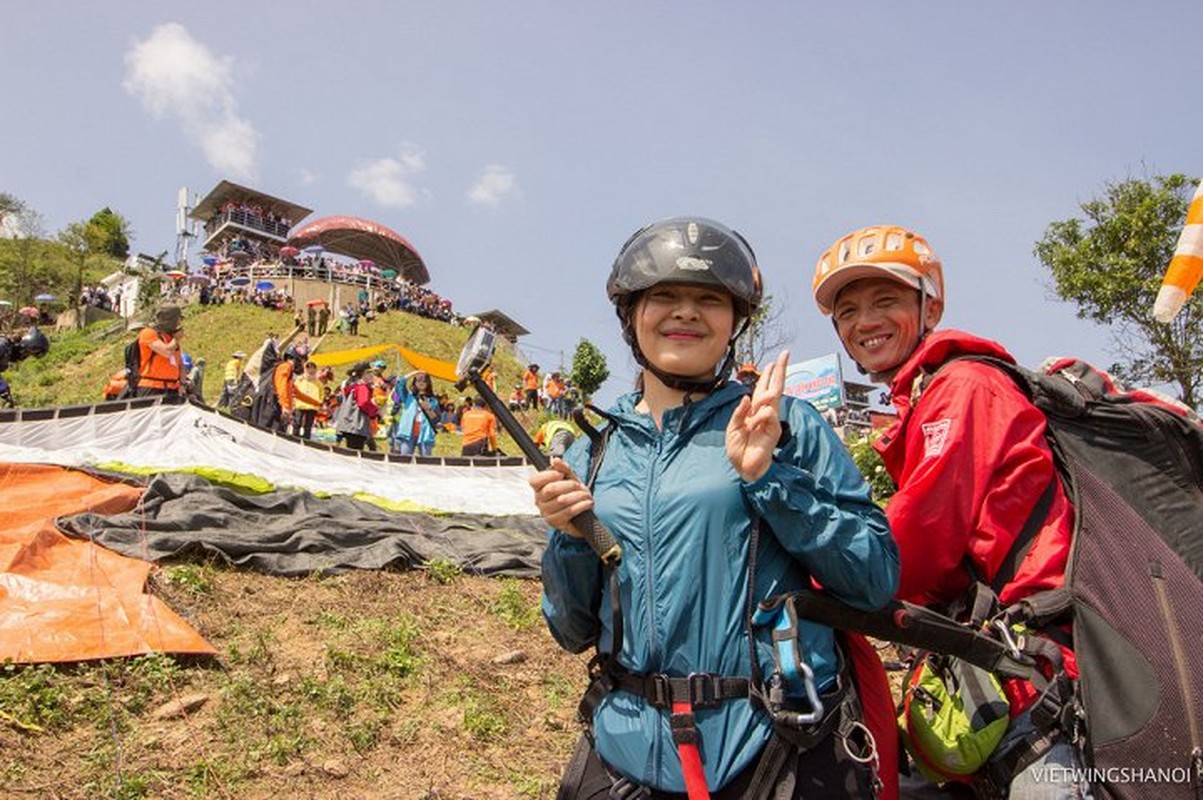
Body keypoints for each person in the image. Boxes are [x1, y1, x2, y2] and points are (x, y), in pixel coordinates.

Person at [531, 217, 898, 798]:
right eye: (664, 297)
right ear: (632, 315)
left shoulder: (786, 428)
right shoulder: (593, 451)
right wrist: (570, 538)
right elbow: (572, 630)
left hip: (774, 748)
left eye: (709, 299)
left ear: (735, 323)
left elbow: (874, 578)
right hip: (625, 753)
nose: (686, 313)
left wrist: (768, 477)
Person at [812, 224, 1082, 797]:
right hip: (1006, 665)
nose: (865, 322)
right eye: (847, 310)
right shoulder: (932, 393)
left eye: (886, 300)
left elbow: (914, 548)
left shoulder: (963, 387)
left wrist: (807, 576)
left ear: (929, 304)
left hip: (1041, 675)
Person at [136, 306, 184, 397]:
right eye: (178, 319)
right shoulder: (148, 333)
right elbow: (166, 352)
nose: (179, 323)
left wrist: (183, 383)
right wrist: (176, 339)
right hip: (152, 388)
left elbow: (180, 364)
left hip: (172, 388)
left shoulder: (171, 339)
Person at [389, 370, 440, 456]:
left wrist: (429, 409)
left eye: (424, 380)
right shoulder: (408, 396)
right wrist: (414, 373)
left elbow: (436, 418)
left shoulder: (433, 400)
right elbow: (400, 384)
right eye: (418, 380)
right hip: (408, 431)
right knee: (405, 459)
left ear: (428, 383)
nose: (421, 383)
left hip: (425, 432)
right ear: (414, 382)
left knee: (425, 461)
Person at [333, 362, 377, 450]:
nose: (372, 375)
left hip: (349, 424)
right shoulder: (362, 388)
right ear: (362, 375)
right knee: (356, 452)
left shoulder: (354, 387)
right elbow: (363, 403)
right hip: (357, 425)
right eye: (368, 373)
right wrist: (374, 411)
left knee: (351, 449)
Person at [293, 360, 323, 439]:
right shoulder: (299, 379)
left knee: (308, 425)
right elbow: (294, 390)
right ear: (305, 369)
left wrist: (319, 402)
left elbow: (321, 394)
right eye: (308, 368)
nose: (311, 370)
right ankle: (294, 437)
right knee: (297, 423)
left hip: (312, 406)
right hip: (299, 404)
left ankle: (306, 439)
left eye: (312, 368)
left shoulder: (318, 383)